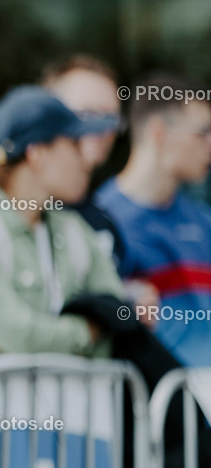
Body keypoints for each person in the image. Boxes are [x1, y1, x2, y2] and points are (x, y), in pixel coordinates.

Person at [0, 86, 124, 358]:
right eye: (74, 144)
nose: (86, 160)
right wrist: (87, 332)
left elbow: (119, 320)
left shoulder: (74, 229)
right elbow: (21, 338)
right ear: (37, 154)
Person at [94, 72, 211, 368]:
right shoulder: (102, 220)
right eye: (202, 133)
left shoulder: (202, 221)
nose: (209, 145)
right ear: (159, 133)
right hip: (157, 402)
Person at [41, 55, 161, 325]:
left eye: (110, 117)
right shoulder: (24, 211)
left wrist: (128, 298)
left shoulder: (102, 218)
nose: (101, 128)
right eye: (86, 114)